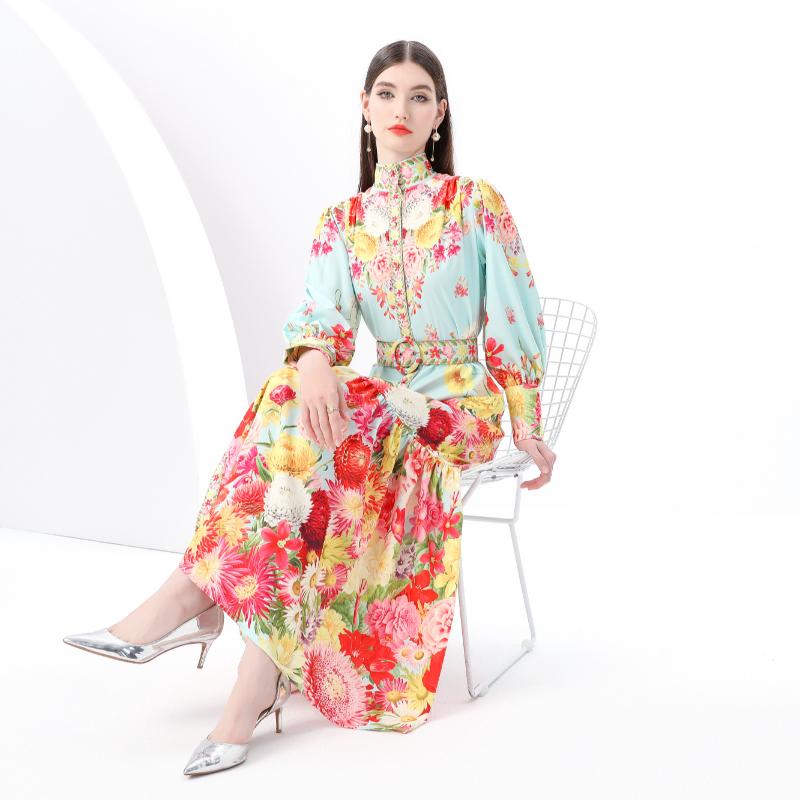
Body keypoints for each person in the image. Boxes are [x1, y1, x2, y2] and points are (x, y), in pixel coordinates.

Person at [62, 39, 557, 775]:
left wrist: (527, 424)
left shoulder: (472, 203)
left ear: (439, 114)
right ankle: (252, 676)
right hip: (379, 403)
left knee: (293, 398)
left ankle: (197, 595)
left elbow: (516, 316)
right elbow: (320, 321)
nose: (401, 108)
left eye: (419, 96)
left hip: (456, 411)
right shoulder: (341, 221)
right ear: (365, 108)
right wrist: (317, 361)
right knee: (298, 404)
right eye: (386, 93)